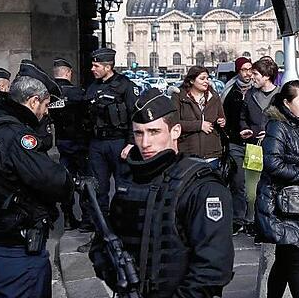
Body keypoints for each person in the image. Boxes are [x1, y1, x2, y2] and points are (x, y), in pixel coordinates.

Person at [89, 88, 234, 297]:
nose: (145, 143)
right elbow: (102, 245)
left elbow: (213, 267)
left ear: (175, 131)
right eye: (139, 133)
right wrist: (119, 281)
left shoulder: (201, 185)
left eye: (154, 132)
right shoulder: (129, 181)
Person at [0, 61, 74, 298]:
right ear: (33, 101)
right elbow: (53, 181)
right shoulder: (17, 135)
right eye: (45, 105)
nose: (46, 112)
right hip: (13, 250)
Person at [255, 80, 299, 298]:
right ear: (287, 102)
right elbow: (272, 163)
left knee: (285, 259)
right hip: (280, 203)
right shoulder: (277, 125)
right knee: (297, 259)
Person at [85, 47, 139, 228]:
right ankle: (101, 231)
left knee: (123, 188)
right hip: (97, 144)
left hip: (119, 143)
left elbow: (135, 115)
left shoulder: (125, 85)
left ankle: (123, 228)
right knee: (98, 189)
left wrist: (131, 143)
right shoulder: (93, 86)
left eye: (96, 66)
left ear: (108, 67)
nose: (92, 69)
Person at [238, 57, 280, 235]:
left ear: (266, 76)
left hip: (276, 150)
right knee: (251, 192)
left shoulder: (281, 95)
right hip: (253, 148)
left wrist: (270, 133)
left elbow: (287, 122)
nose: (251, 77)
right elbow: (242, 118)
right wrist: (245, 129)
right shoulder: (249, 95)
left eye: (255, 74)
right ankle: (253, 222)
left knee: (274, 189)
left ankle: (268, 225)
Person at [50, 57, 92, 231]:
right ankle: (87, 217)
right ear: (68, 73)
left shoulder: (50, 95)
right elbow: (88, 117)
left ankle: (68, 218)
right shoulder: (77, 93)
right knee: (85, 181)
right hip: (80, 144)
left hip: (62, 142)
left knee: (66, 181)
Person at [222, 57, 253, 231]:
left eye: (250, 69)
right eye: (244, 70)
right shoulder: (230, 91)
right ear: (238, 71)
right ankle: (238, 218)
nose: (247, 73)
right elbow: (224, 117)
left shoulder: (256, 91)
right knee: (238, 182)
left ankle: (251, 220)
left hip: (254, 144)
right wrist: (231, 134)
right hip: (235, 143)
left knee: (253, 185)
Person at [172, 65, 226, 160]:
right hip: (188, 153)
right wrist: (199, 125)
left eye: (207, 78)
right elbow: (174, 123)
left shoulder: (214, 97)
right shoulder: (179, 97)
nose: (206, 81)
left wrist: (221, 121)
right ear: (192, 81)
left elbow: (221, 116)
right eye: (202, 79)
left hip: (212, 153)